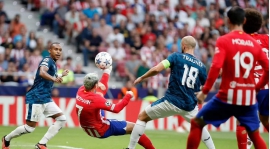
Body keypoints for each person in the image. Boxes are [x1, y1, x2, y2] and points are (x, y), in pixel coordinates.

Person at [186, 7, 269, 149]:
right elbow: (267, 67)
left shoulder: (226, 40)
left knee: (197, 122)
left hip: (230, 94)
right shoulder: (259, 42)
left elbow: (216, 66)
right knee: (256, 130)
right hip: (255, 93)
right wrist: (258, 86)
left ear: (228, 21)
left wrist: (204, 91)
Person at [126, 36, 215, 149]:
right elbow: (207, 86)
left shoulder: (176, 56)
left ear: (183, 46)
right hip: (190, 105)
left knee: (142, 117)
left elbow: (157, 69)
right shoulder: (201, 66)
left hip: (171, 101)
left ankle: (130, 148)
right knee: (200, 126)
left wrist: (142, 77)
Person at [2, 42, 69, 149]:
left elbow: (50, 75)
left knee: (62, 119)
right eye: (55, 49)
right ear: (49, 50)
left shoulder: (53, 63)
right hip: (36, 97)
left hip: (46, 98)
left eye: (60, 50)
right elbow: (42, 72)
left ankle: (41, 144)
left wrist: (61, 75)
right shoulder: (47, 60)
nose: (58, 52)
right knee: (29, 128)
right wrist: (54, 78)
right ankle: (6, 139)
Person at [75, 66, 155, 149]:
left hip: (87, 128)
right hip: (101, 129)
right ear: (95, 85)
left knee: (99, 96)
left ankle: (107, 70)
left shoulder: (80, 90)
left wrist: (106, 72)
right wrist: (128, 96)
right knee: (135, 128)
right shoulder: (96, 99)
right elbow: (117, 109)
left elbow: (98, 92)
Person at [235, 8, 269, 149]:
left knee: (241, 122)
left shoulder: (239, 42)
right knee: (264, 118)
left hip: (250, 89)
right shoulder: (267, 38)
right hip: (267, 89)